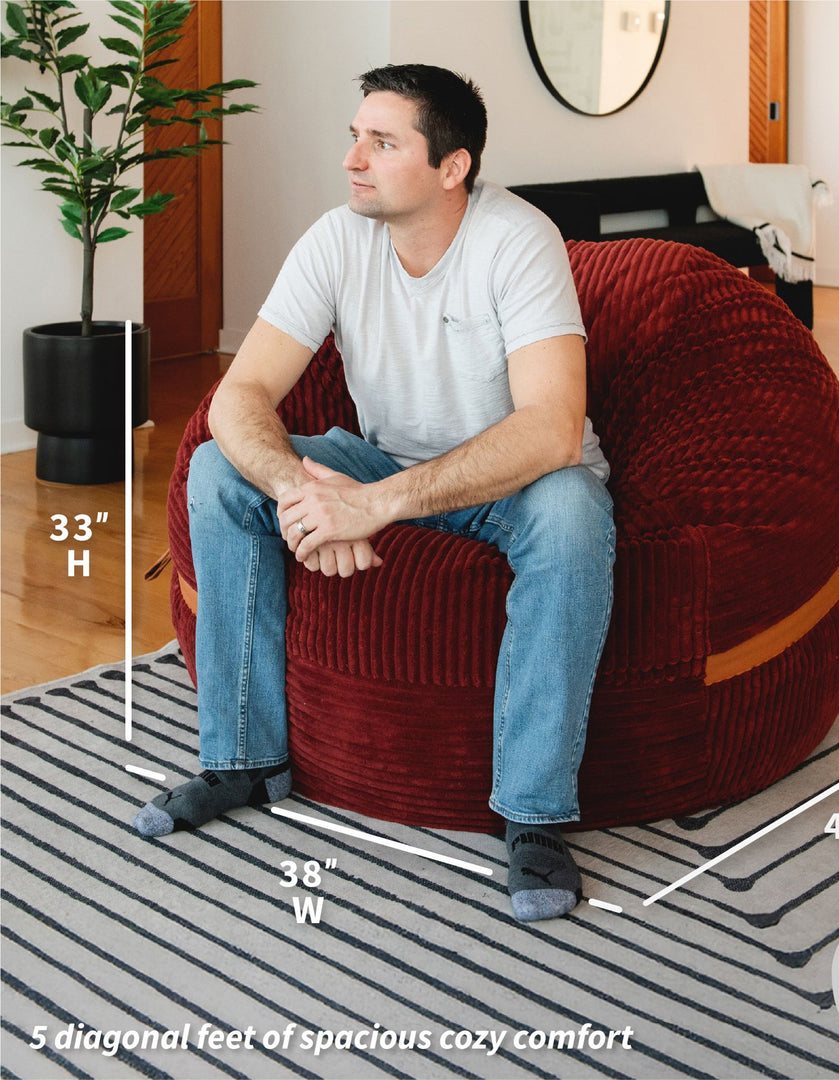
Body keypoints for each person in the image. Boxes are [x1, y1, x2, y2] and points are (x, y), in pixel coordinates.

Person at [132, 64, 616, 923]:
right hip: (384, 459)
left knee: (575, 512)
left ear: (452, 166)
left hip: (519, 480)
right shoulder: (336, 238)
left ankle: (534, 815)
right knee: (217, 467)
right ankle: (241, 760)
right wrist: (303, 492)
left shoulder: (517, 238)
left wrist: (376, 506)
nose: (353, 158)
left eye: (382, 142)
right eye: (354, 135)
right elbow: (240, 399)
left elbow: (550, 428)